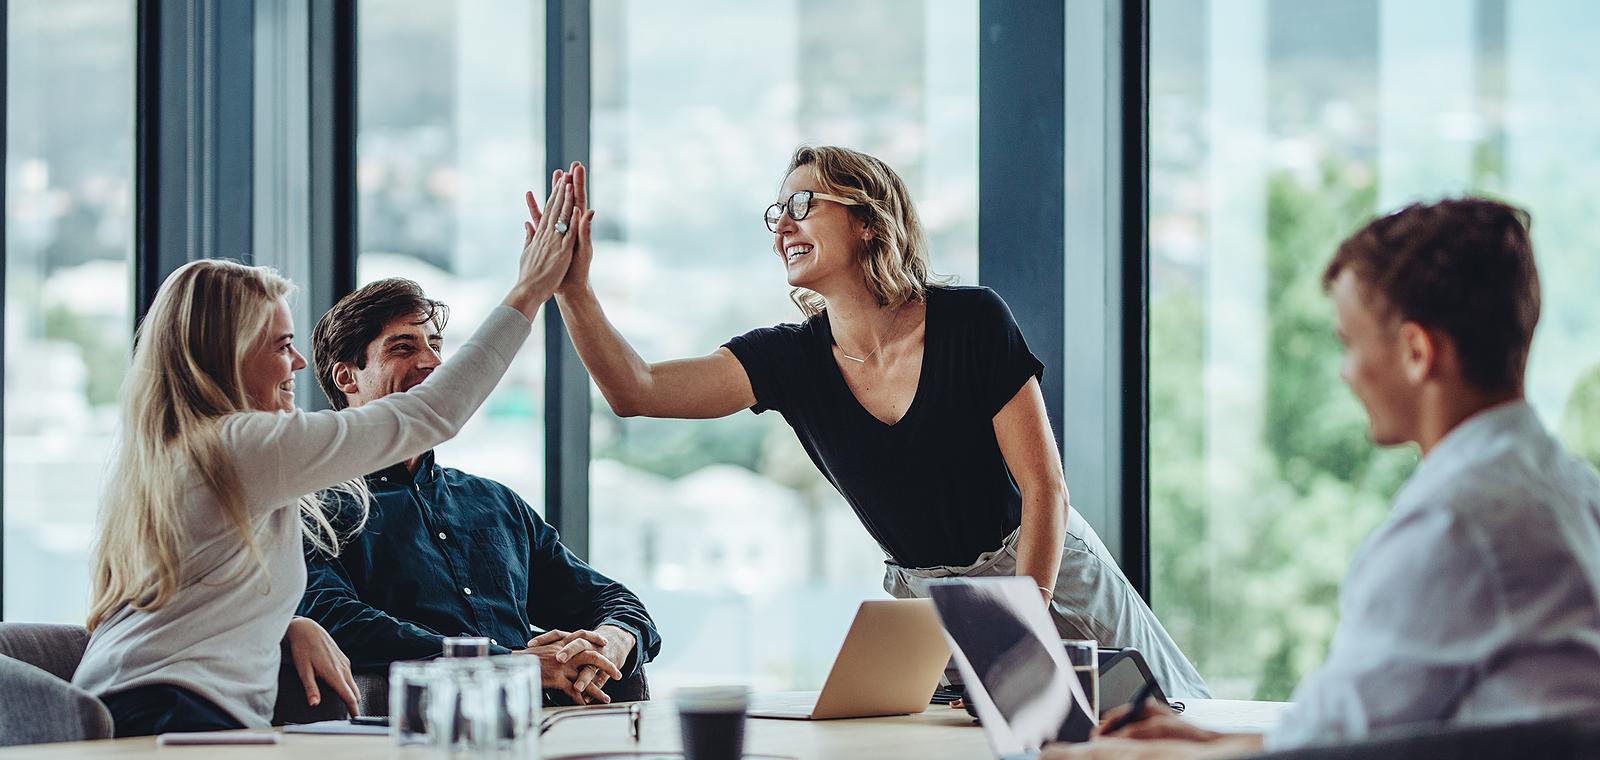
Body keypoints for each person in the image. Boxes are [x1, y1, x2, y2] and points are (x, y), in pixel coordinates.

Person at [538, 147, 1208, 698]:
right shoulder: (788, 359)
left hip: (1045, 568)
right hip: (930, 606)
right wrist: (574, 291)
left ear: (868, 221)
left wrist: (1017, 626)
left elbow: (1044, 491)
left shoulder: (972, 320)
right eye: (777, 213)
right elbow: (636, 389)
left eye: (804, 204)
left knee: (1167, 723)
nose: (783, 226)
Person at [1049, 198, 1600, 758]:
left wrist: (1144, 756)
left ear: (1416, 352)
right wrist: (1210, 739)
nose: (1346, 371)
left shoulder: (1456, 522)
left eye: (1349, 343)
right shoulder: (1572, 492)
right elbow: (1362, 731)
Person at [71, 171, 582, 736]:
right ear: (227, 353)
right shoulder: (237, 445)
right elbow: (432, 413)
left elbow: (198, 595)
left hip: (139, 703)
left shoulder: (180, 451)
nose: (298, 365)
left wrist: (289, 623)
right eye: (281, 345)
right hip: (169, 713)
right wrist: (529, 291)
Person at [298, 277, 662, 706]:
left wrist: (612, 640)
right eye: (403, 347)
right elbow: (334, 618)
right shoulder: (315, 507)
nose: (432, 362)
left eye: (435, 345)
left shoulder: (494, 503)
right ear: (347, 377)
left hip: (543, 729)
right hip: (414, 732)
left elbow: (611, 598)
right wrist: (505, 663)